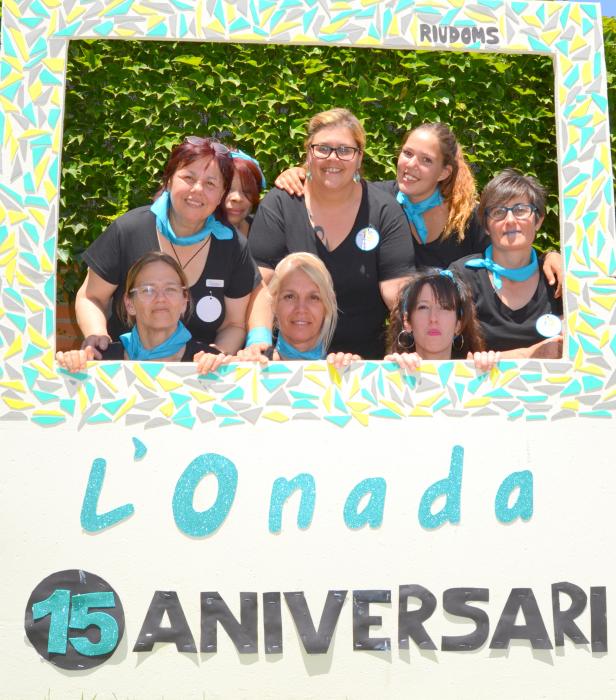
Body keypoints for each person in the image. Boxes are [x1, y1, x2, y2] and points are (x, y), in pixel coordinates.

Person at [274, 122, 562, 291]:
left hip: (457, 342)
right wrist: (301, 174)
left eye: (426, 160)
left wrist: (549, 257)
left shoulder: (465, 216)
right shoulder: (376, 199)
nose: (410, 165)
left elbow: (509, 250)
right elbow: (337, 182)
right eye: (407, 153)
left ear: (444, 172)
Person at [246, 108, 415, 359]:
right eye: (323, 148)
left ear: (359, 158)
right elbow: (261, 283)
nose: (333, 158)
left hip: (362, 363)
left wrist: (410, 345)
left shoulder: (384, 211)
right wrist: (259, 342)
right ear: (308, 153)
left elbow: (398, 291)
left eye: (345, 150)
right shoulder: (280, 204)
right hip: (289, 360)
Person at [75, 136, 261, 359]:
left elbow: (234, 324)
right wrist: (97, 335)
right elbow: (91, 297)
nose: (197, 189)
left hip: (199, 375)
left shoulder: (232, 246)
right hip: (126, 369)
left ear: (221, 194)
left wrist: (216, 357)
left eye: (210, 183)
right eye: (188, 178)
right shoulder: (129, 230)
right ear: (169, 180)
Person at [449, 169, 563, 358]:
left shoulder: (559, 278)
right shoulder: (462, 276)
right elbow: (438, 348)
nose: (510, 220)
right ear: (486, 226)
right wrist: (530, 354)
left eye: (521, 210)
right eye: (498, 212)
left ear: (538, 220)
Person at [57, 252, 228, 373]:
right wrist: (71, 367)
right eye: (148, 290)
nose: (160, 298)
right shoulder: (100, 361)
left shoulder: (209, 361)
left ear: (184, 301)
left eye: (170, 289)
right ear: (129, 303)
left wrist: (227, 371)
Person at [249, 252, 358, 368]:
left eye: (313, 297)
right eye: (290, 296)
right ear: (274, 304)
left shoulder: (346, 368)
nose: (301, 309)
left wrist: (355, 370)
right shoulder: (250, 365)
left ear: (327, 305)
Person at [384, 269, 500, 372]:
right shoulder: (392, 371)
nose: (433, 318)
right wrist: (392, 371)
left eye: (445, 307)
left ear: (458, 324)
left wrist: (488, 373)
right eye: (423, 307)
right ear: (407, 321)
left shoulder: (476, 370)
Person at [225, 150, 266, 237]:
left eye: (247, 191)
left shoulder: (264, 231)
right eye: (227, 189)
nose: (237, 198)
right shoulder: (199, 237)